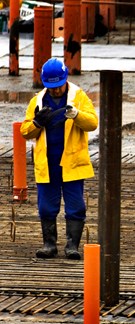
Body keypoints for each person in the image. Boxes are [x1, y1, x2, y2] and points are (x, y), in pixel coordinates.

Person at [20, 57, 98, 260]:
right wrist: (37, 123)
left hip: (71, 162)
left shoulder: (78, 97)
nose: (55, 90)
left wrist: (77, 115)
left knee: (76, 206)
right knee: (46, 206)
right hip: (48, 162)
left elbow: (92, 123)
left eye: (58, 86)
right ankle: (49, 244)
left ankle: (72, 246)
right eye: (51, 87)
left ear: (65, 79)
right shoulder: (37, 101)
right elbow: (25, 131)